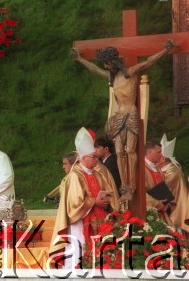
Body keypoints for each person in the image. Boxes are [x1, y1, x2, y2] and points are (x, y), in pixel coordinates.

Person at [71, 40, 174, 201]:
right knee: (119, 151)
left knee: (130, 151)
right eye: (104, 64)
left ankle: (131, 185)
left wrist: (165, 50)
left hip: (131, 114)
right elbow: (94, 69)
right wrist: (80, 59)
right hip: (118, 116)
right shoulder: (111, 77)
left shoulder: (131, 72)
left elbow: (148, 62)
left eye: (107, 63)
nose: (106, 66)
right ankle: (124, 185)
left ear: (114, 60)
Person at [49, 128, 119, 269]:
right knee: (79, 252)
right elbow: (75, 203)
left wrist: (106, 202)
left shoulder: (98, 174)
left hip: (99, 220)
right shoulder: (75, 175)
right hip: (80, 223)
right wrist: (95, 201)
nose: (96, 159)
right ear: (83, 158)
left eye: (96, 157)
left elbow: (110, 194)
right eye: (93, 157)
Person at [145, 138, 189, 232]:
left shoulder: (158, 169)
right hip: (148, 213)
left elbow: (164, 189)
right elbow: (139, 192)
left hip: (162, 213)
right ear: (149, 152)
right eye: (158, 152)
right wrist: (156, 203)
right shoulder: (141, 169)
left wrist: (167, 204)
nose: (161, 155)